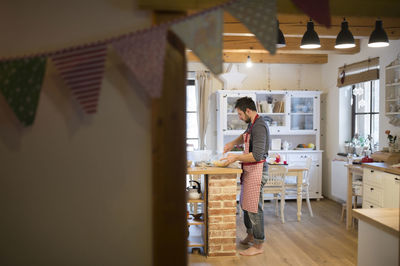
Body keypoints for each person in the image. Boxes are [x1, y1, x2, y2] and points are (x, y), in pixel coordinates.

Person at [220, 97, 270, 256]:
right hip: (250, 170)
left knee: (255, 208)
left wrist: (235, 157)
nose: (240, 117)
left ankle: (258, 245)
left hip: (258, 170)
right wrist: (231, 144)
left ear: (248, 111)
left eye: (240, 114)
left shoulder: (260, 126)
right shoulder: (252, 124)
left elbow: (256, 155)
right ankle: (250, 234)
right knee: (246, 204)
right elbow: (244, 136)